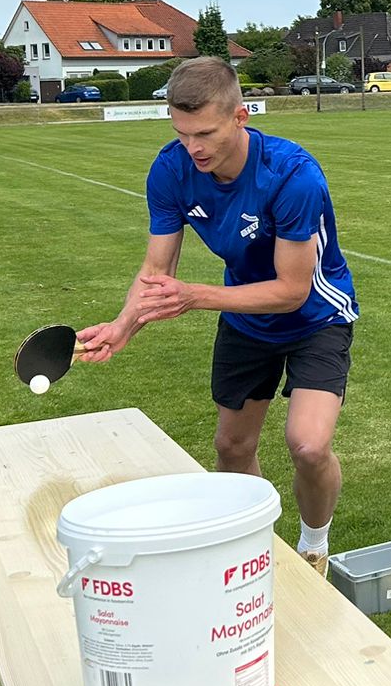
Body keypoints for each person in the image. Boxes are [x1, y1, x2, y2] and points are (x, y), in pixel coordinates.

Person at [77, 56, 359, 573]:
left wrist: (195, 296)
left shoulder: (293, 176)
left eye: (205, 133)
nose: (194, 148)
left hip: (316, 318)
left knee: (308, 445)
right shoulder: (172, 169)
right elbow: (156, 270)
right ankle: (257, 554)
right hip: (245, 318)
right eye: (182, 133)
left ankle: (314, 546)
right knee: (232, 446)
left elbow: (292, 291)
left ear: (239, 116)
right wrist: (122, 327)